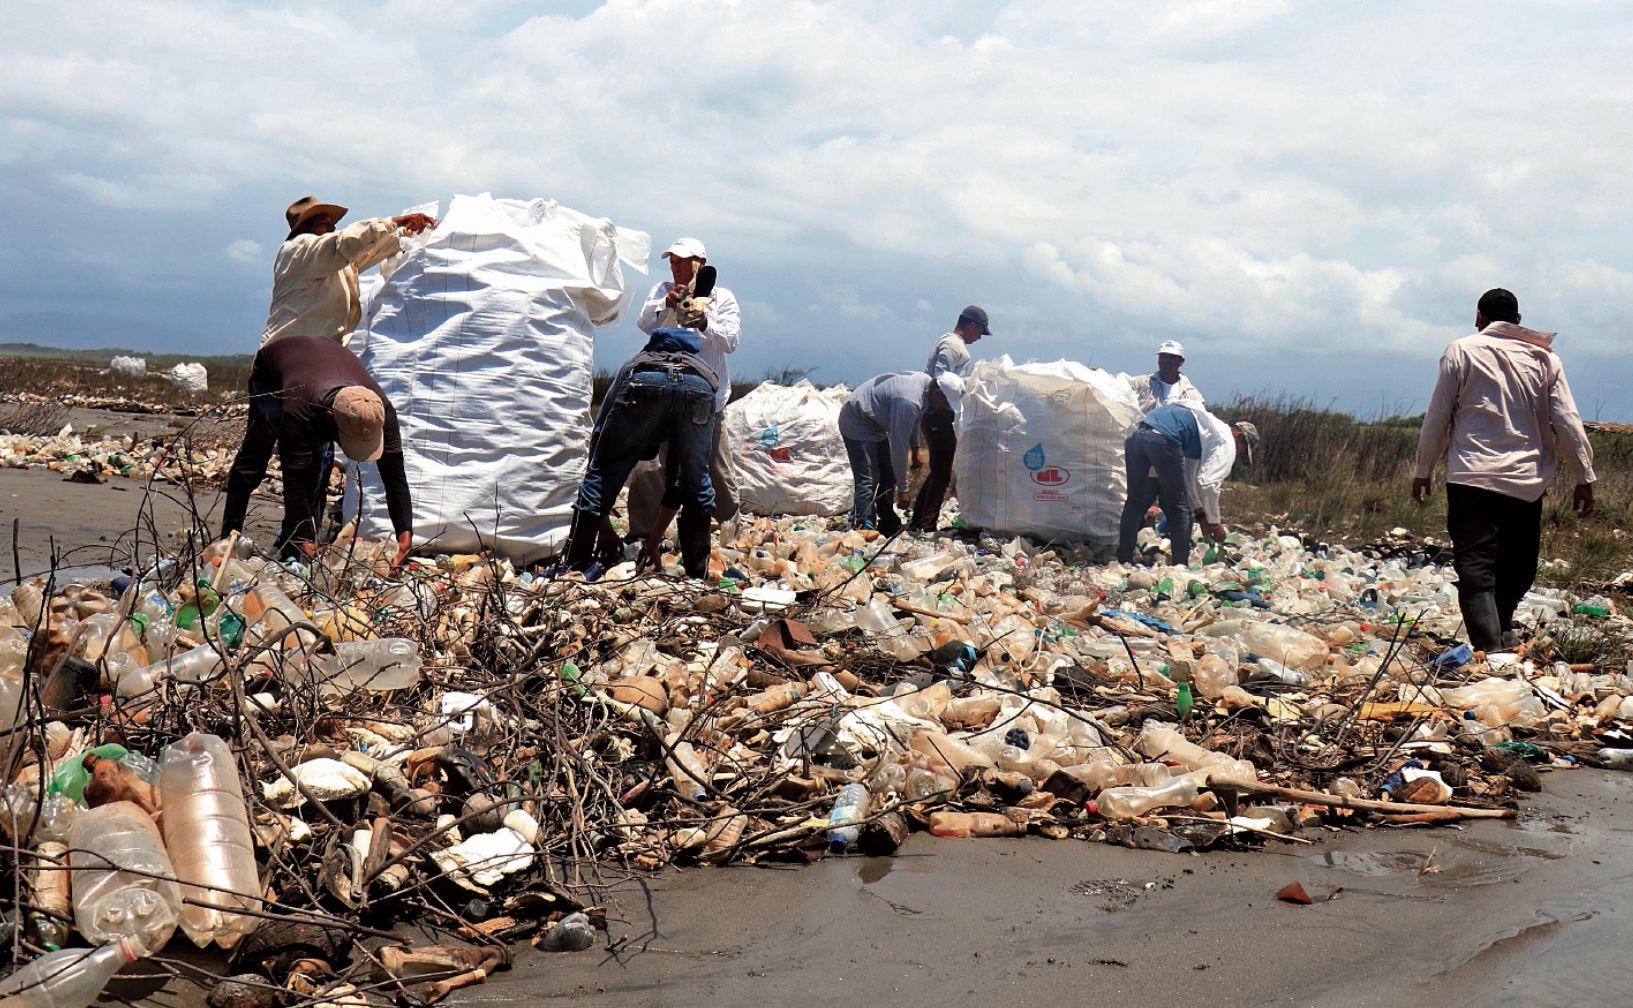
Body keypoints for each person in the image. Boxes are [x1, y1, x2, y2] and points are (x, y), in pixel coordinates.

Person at [1412, 288, 1596, 651]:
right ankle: (1494, 644)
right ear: (1518, 320)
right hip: (1525, 482)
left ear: (1479, 316)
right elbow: (1567, 421)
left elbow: (1438, 416)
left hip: (1471, 477)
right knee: (1517, 566)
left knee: (1476, 566)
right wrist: (1584, 476)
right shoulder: (1545, 360)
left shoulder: (1460, 350)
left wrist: (1423, 468)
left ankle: (1492, 641)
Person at [222, 335, 413, 565]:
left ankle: (296, 545)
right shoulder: (299, 408)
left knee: (319, 469)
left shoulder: (379, 410)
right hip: (272, 375)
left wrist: (404, 533)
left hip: (323, 369)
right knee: (255, 460)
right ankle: (227, 541)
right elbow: (294, 481)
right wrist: (305, 536)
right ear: (331, 418)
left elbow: (395, 476)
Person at [562, 327, 720, 580]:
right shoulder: (699, 369)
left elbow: (600, 436)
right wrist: (653, 541)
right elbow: (679, 480)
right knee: (697, 482)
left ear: (653, 345)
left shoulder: (637, 364)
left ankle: (574, 567)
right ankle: (696, 575)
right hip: (699, 388)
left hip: (645, 383)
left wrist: (602, 521)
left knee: (604, 470)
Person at [627, 238, 742, 538]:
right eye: (672, 261)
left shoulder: (723, 298)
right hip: (665, 395)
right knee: (651, 468)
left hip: (708, 399)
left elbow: (730, 341)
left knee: (716, 470)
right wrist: (666, 305)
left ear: (699, 264)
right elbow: (643, 323)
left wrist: (704, 322)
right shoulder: (662, 291)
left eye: (681, 261)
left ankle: (730, 532)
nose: (674, 266)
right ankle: (644, 532)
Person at [261, 196, 436, 346]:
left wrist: (405, 235)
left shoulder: (332, 261)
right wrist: (393, 222)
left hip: (319, 349)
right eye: (324, 223)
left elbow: (367, 251)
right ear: (305, 228)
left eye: (332, 223)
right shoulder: (298, 249)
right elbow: (346, 241)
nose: (331, 228)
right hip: (291, 348)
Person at [839, 372, 965, 535]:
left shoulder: (925, 386)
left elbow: (913, 421)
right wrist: (903, 491)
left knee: (887, 474)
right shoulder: (909, 401)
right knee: (869, 477)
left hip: (875, 424)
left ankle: (887, 521)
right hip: (857, 419)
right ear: (938, 393)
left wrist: (915, 448)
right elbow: (899, 449)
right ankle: (863, 525)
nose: (946, 407)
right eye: (946, 402)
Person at [1115, 400, 1234, 567]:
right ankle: (1180, 564)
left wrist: (1201, 515)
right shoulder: (1226, 440)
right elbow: (1208, 485)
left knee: (1134, 501)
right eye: (1242, 451)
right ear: (1240, 437)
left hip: (1136, 434)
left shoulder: (1201, 428)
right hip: (1162, 438)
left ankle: (1124, 559)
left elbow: (1189, 479)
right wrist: (1215, 524)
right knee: (1179, 505)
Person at [910, 306, 990, 533]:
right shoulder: (953, 346)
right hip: (939, 413)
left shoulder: (950, 343)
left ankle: (919, 521)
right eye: (980, 332)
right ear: (972, 326)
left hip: (940, 412)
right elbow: (940, 380)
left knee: (939, 471)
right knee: (942, 473)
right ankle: (926, 525)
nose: (979, 338)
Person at [1128, 340, 1203, 413]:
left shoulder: (1192, 395)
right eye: (1162, 356)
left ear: (1181, 361)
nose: (1166, 361)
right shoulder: (1141, 384)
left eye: (1171, 357)